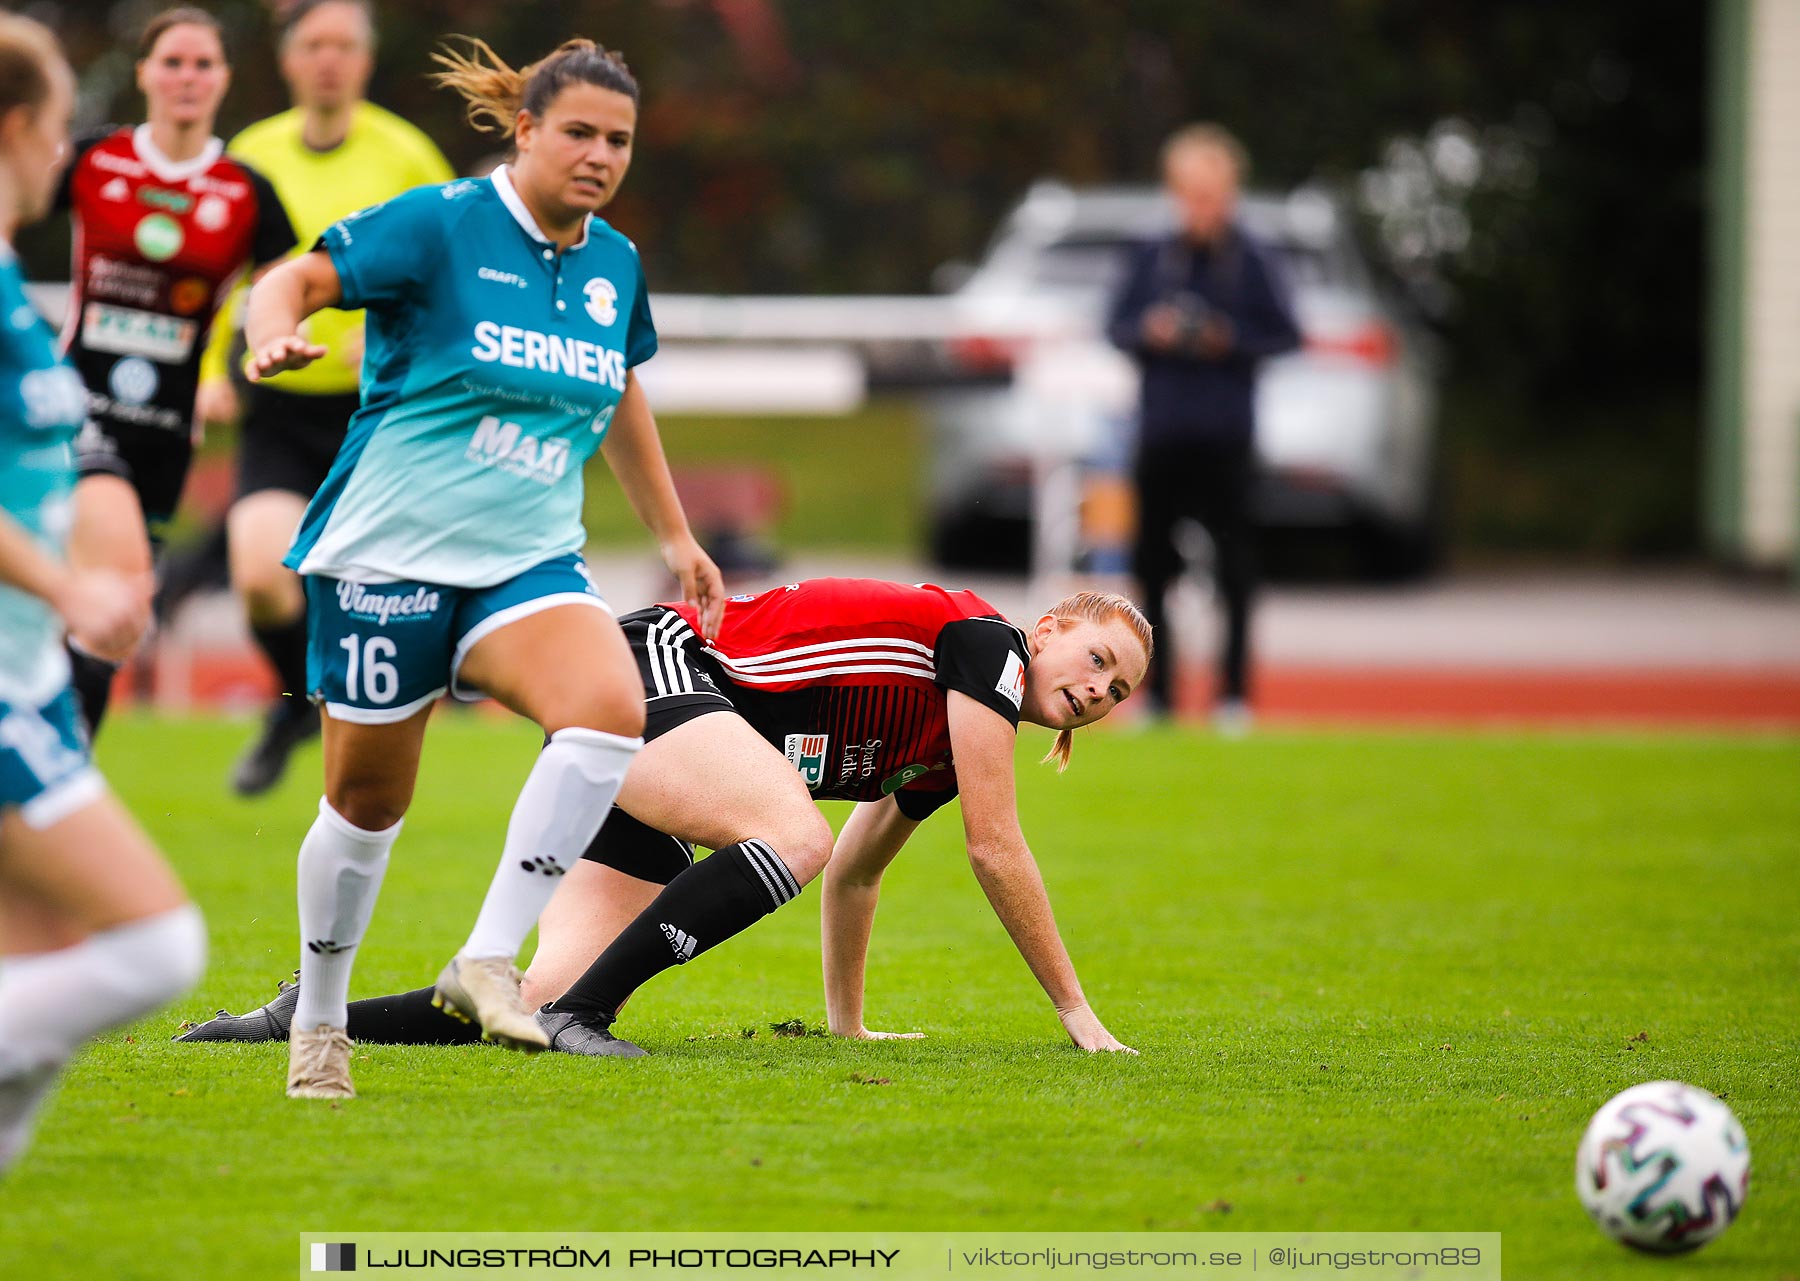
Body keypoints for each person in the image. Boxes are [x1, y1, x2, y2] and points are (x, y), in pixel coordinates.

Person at [240, 35, 723, 1099]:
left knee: (606, 711)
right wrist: (270, 332)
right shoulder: (443, 223)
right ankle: (319, 1019)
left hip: (525, 558)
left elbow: (621, 391)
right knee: (366, 807)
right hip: (386, 555)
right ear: (526, 131)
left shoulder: (615, 264)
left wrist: (676, 532)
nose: (600, 155)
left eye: (620, 141)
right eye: (580, 133)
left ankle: (487, 960)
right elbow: (298, 279)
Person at [178, 579, 1149, 1055]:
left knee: (517, 1001)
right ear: (1050, 630)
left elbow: (858, 875)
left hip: (685, 726)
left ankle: (301, 1018)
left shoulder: (944, 746)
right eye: (1097, 660)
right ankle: (587, 1020)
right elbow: (997, 844)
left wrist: (846, 1029)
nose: (1103, 690)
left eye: (1122, 689)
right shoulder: (988, 650)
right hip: (657, 670)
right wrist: (1079, 1016)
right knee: (792, 833)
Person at [0, 12, 206, 1174]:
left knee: (38, 986)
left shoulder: (7, 290)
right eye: (63, 123)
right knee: (154, 951)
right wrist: (66, 584)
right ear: (24, 128)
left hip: (26, 671)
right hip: (6, 678)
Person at [195, 0, 456, 796]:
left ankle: (357, 738)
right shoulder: (250, 152)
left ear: (367, 60)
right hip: (276, 403)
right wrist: (211, 370)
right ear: (287, 59)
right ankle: (297, 704)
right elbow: (222, 276)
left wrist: (392, 336)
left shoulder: (408, 156)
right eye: (314, 44)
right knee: (260, 575)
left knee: (368, 588)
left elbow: (457, 275)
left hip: (374, 412)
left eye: (345, 45)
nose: (329, 59)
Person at [55, 7, 297, 734]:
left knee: (121, 614)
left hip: (167, 427)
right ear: (143, 74)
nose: (186, 78)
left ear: (223, 79)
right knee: (84, 593)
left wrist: (251, 356)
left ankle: (60, 767)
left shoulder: (243, 189)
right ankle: (54, 775)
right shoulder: (94, 158)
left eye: (202, 64)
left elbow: (283, 289)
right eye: (172, 62)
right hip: (74, 408)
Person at [1106, 123, 1301, 732]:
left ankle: (1234, 696)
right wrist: (1152, 331)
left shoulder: (1254, 259)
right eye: (1190, 192)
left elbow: (1287, 333)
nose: (1201, 206)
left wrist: (1228, 339)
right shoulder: (1150, 255)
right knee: (1152, 569)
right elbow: (1114, 325)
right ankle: (1155, 694)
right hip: (1161, 432)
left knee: (1237, 569)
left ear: (1231, 193)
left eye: (1211, 193)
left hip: (1226, 436)